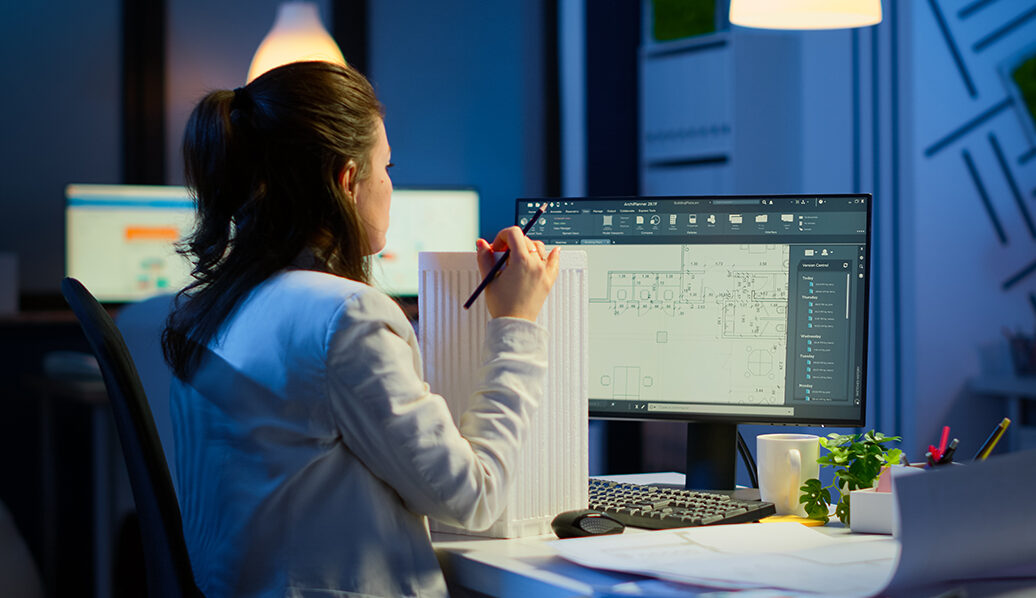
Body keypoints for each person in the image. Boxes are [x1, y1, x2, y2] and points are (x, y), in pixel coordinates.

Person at [162, 61, 561, 598]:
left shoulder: (214, 307)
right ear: (348, 179)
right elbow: (474, 498)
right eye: (388, 168)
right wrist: (516, 324)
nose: (391, 185)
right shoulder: (346, 315)